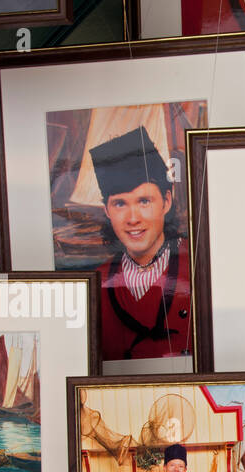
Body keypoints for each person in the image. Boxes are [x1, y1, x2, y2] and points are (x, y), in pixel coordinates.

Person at [87, 126, 192, 363]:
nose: (133, 218)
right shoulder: (94, 283)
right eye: (120, 204)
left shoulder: (200, 268)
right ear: (107, 211)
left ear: (166, 202)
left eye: (144, 201)